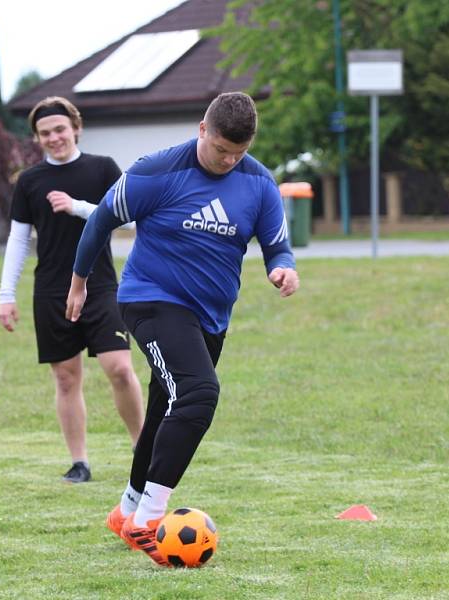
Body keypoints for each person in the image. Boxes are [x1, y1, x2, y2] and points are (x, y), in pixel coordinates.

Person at [66, 92, 299, 565]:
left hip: (209, 317)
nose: (228, 161)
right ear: (202, 130)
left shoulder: (258, 182)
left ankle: (127, 509)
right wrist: (79, 283)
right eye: (220, 151)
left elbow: (277, 244)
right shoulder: (157, 171)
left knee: (165, 407)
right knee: (198, 394)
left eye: (238, 153)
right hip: (151, 301)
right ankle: (149, 519)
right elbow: (101, 222)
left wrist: (284, 268)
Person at [0, 96, 144, 483]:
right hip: (51, 291)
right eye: (45, 133)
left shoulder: (102, 169)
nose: (54, 138)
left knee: (120, 369)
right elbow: (17, 241)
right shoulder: (30, 181)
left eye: (60, 129)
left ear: (76, 128)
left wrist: (78, 207)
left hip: (100, 287)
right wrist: (5, 296)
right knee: (65, 378)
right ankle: (80, 463)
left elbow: (129, 219)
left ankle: (142, 450)